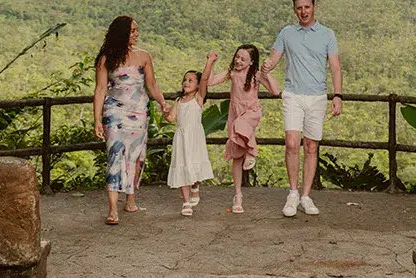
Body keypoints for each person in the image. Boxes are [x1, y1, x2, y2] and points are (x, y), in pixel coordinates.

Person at [261, 0, 343, 217]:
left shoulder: (327, 35)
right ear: (294, 9)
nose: (303, 12)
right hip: (293, 94)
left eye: (307, 7)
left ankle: (306, 196)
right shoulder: (287, 33)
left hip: (317, 96)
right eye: (299, 8)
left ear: (314, 6)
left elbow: (335, 67)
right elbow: (274, 59)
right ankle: (293, 193)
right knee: (291, 142)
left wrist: (338, 95)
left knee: (311, 147)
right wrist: (267, 67)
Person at [93, 15, 169, 226]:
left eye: (137, 30)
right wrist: (97, 119)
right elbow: (100, 90)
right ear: (122, 33)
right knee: (115, 153)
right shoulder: (106, 59)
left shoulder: (144, 56)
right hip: (114, 111)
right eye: (133, 31)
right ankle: (112, 208)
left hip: (139, 111)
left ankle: (131, 199)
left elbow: (152, 85)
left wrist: (163, 103)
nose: (137, 34)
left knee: (136, 155)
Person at [210, 44, 280, 214]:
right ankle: (237, 196)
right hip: (235, 113)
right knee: (236, 156)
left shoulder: (255, 75)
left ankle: (252, 151)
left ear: (251, 62)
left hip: (251, 112)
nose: (238, 61)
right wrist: (211, 63)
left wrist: (266, 73)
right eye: (237, 57)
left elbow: (276, 91)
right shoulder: (232, 73)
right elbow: (211, 82)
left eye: (243, 59)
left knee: (240, 125)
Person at [164, 51, 219, 216]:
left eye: (190, 80)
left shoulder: (198, 98)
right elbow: (172, 118)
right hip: (181, 138)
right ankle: (186, 202)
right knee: (182, 166)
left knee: (193, 164)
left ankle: (195, 185)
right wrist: (165, 112)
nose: (186, 82)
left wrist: (210, 62)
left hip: (194, 137)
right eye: (185, 80)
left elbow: (204, 80)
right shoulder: (179, 101)